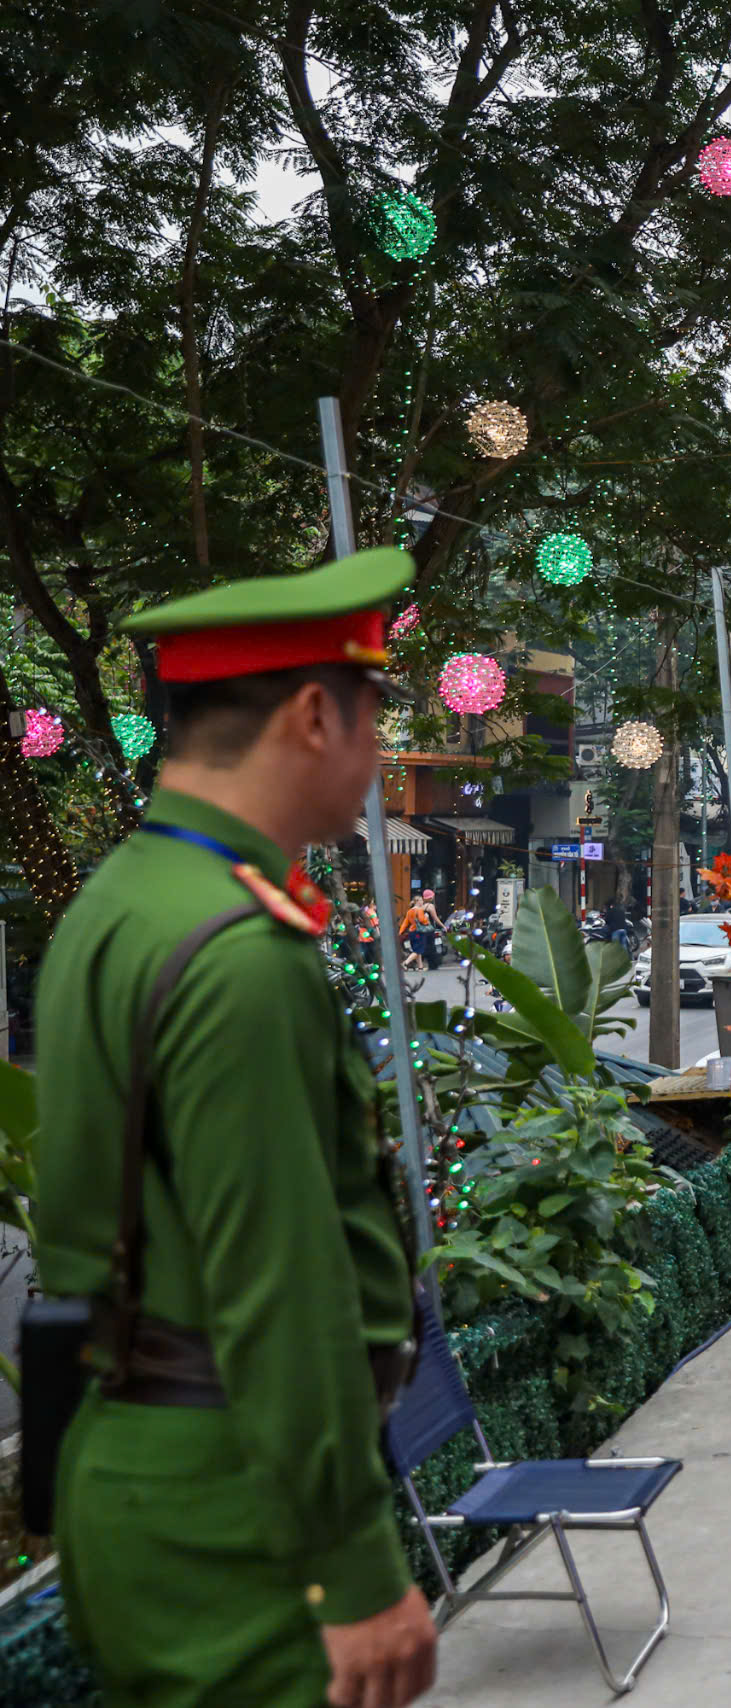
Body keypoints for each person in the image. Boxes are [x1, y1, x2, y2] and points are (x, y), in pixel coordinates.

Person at [32, 549, 441, 1708]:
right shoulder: (241, 954)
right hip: (241, 1518)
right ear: (316, 715)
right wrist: (356, 1572)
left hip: (142, 1469)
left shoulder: (116, 906)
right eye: (371, 722)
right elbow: (279, 1289)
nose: (376, 761)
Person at [397, 888, 440, 972]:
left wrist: (400, 932)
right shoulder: (419, 910)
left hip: (412, 932)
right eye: (421, 900)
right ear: (418, 902)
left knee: (418, 950)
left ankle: (420, 967)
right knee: (418, 950)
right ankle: (405, 963)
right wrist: (426, 917)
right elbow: (422, 920)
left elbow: (405, 922)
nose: (422, 902)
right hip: (419, 932)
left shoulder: (410, 911)